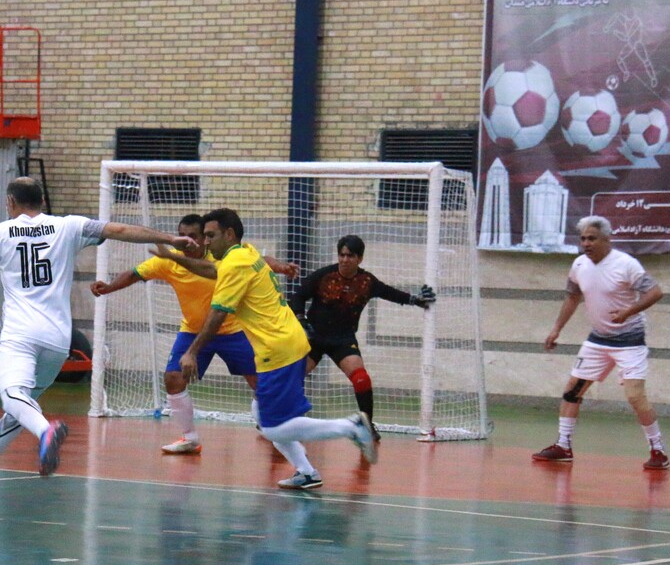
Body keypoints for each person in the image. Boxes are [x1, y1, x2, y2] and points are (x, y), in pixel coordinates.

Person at [0, 177, 193, 483]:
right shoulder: (67, 226)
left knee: (12, 397)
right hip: (58, 341)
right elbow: (120, 230)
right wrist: (170, 238)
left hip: (20, 335)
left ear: (10, 203)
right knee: (23, 406)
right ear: (42, 201)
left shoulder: (0, 233)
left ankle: (47, 431)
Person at [178, 208, 376, 491]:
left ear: (229, 234)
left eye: (210, 236)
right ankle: (307, 472)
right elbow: (212, 270)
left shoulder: (235, 264)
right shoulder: (245, 252)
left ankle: (351, 427)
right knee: (261, 412)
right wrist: (175, 257)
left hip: (278, 349)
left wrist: (192, 351)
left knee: (272, 427)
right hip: (285, 343)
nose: (206, 242)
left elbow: (218, 313)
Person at [91, 214, 298, 455]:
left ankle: (271, 426)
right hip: (193, 331)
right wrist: (109, 287)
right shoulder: (169, 261)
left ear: (205, 238)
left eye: (193, 236)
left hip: (234, 330)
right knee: (173, 379)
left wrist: (280, 266)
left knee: (261, 383)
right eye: (182, 235)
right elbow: (134, 273)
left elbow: (258, 260)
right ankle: (189, 438)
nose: (187, 241)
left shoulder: (222, 255)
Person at [532, 215, 669, 470]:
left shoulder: (626, 264)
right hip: (597, 341)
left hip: (629, 341)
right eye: (583, 238)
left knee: (635, 396)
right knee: (572, 391)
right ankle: (563, 445)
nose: (586, 243)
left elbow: (655, 292)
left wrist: (628, 312)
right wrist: (556, 329)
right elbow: (572, 297)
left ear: (607, 239)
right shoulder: (579, 265)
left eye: (592, 238)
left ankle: (658, 450)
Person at [287, 234, 435, 442]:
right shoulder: (324, 276)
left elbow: (390, 293)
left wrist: (415, 300)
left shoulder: (367, 282)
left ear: (360, 259)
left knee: (361, 378)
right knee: (291, 376)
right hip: (314, 338)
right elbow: (298, 296)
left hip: (343, 340)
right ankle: (277, 418)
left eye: (350, 256)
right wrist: (301, 319)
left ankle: (367, 426)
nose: (345, 260)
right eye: (342, 255)